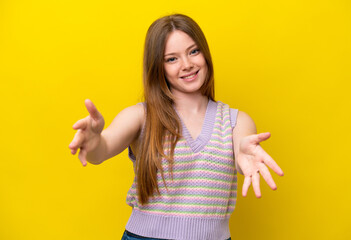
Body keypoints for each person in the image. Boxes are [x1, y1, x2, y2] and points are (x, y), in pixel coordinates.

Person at [68, 14, 284, 240]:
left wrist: (244, 155)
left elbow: (243, 150)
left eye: (193, 51)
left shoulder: (236, 121)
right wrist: (93, 142)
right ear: (157, 67)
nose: (187, 64)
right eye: (172, 59)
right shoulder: (141, 116)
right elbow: (102, 149)